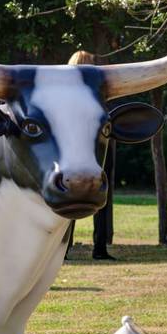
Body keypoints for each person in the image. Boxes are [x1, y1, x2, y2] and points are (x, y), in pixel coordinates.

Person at [64, 50, 116, 260]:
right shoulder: (97, 92)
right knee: (102, 197)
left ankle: (64, 248)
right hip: (98, 148)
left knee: (68, 198)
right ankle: (100, 248)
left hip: (71, 149)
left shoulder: (63, 95)